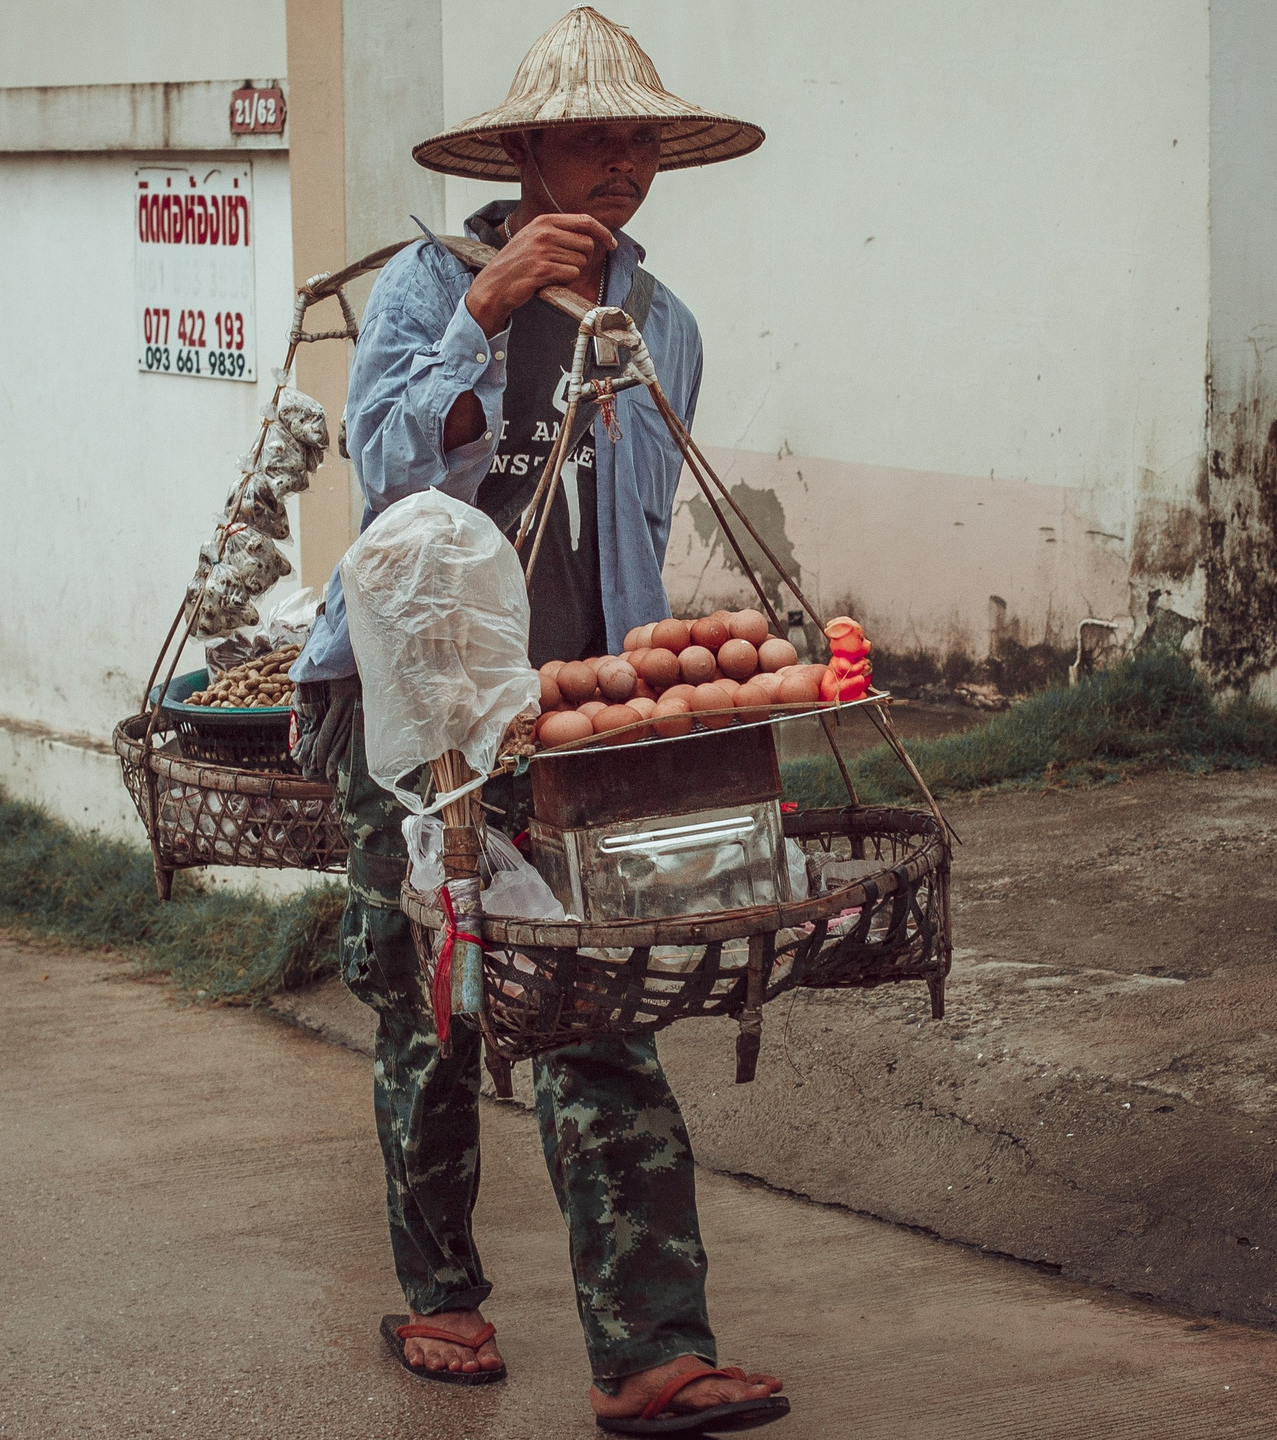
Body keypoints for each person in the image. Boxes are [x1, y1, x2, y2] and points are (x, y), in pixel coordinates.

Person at [287, 8, 788, 1434]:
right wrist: (486, 312)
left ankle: (652, 1352)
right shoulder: (424, 288)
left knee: (596, 1010)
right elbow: (387, 477)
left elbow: (635, 531)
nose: (622, 165)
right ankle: (440, 1293)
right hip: (409, 709)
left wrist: (640, 702)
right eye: (592, 139)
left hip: (571, 718)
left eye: (641, 142)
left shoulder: (663, 325)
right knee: (428, 1004)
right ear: (525, 156)